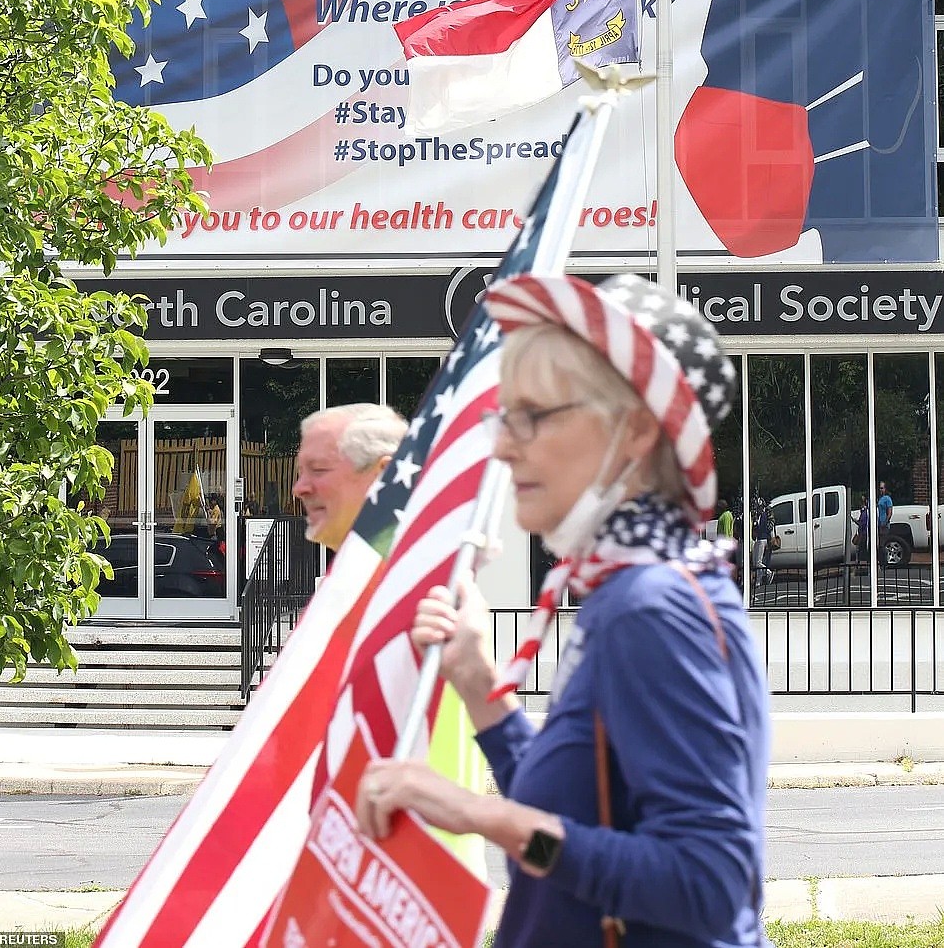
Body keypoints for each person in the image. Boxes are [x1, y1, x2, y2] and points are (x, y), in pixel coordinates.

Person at [355, 273, 770, 948]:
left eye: (534, 414)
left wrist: (482, 815)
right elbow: (568, 833)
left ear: (634, 430)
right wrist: (481, 688)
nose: (501, 444)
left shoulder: (649, 605)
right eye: (503, 414)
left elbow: (709, 887)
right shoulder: (641, 587)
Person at [291, 401, 488, 876]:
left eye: (319, 470)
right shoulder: (358, 585)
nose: (300, 488)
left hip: (406, 878)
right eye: (300, 472)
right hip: (354, 862)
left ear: (385, 475)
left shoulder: (421, 588)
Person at [752, 498, 774, 587]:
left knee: (758, 562)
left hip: (762, 539)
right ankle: (758, 580)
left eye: (759, 507)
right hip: (758, 539)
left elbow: (768, 528)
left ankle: (768, 572)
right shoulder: (758, 516)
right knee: (755, 561)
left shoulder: (764, 515)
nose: (757, 509)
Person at [877, 480, 894, 565]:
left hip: (884, 525)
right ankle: (881, 561)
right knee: (879, 544)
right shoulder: (879, 499)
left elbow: (890, 512)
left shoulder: (887, 499)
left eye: (882, 488)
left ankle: (884, 562)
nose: (881, 490)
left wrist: (885, 522)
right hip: (878, 524)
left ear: (885, 489)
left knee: (882, 545)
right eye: (880, 488)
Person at [855, 495, 870, 575]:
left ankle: (861, 568)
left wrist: (856, 521)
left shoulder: (865, 513)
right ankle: (861, 567)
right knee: (860, 550)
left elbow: (862, 524)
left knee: (861, 550)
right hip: (862, 533)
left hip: (863, 534)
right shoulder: (864, 512)